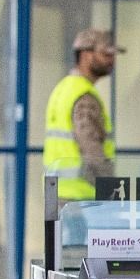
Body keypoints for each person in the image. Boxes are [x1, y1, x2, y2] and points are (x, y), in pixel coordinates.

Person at [43, 28, 121, 204]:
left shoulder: (64, 88)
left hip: (58, 194)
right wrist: (112, 189)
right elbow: (91, 148)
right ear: (86, 55)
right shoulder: (83, 95)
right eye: (106, 54)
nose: (112, 60)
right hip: (80, 198)